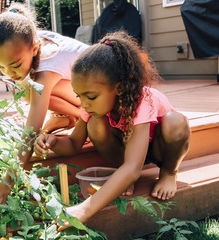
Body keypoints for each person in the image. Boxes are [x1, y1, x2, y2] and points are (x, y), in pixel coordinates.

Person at [34, 31, 191, 230]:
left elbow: (134, 168)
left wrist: (84, 210)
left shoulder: (143, 101)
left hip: (159, 147)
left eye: (90, 97)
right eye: (79, 96)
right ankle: (122, 177)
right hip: (128, 154)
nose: (83, 104)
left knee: (175, 122)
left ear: (118, 88)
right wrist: (53, 142)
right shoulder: (90, 107)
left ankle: (169, 172)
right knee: (95, 124)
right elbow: (74, 144)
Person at [0, 3, 89, 204]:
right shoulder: (30, 39)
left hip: (103, 94)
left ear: (34, 49)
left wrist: (7, 182)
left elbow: (32, 131)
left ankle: (74, 116)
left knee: (32, 90)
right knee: (27, 89)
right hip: (79, 91)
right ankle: (68, 117)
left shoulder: (47, 65)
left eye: (15, 65)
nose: (9, 73)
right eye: (1, 67)